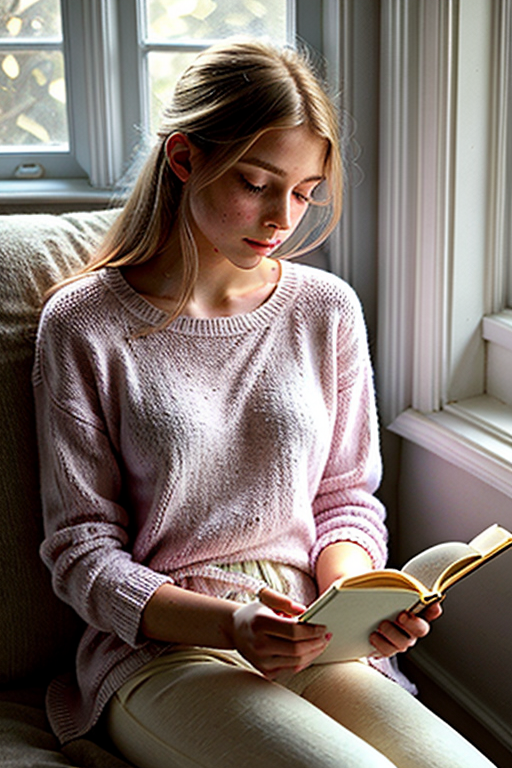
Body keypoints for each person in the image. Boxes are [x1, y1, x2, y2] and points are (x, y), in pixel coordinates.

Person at [33, 39, 496, 768]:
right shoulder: (85, 324)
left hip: (313, 634)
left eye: (307, 191)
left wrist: (360, 601)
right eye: (256, 183)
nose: (284, 217)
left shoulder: (326, 308)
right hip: (164, 652)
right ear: (185, 159)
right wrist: (232, 625)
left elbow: (346, 498)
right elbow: (81, 552)